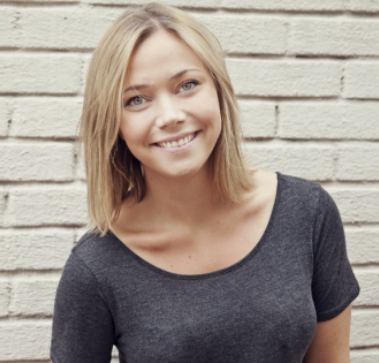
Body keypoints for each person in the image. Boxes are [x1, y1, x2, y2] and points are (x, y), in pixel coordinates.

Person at [50, 3, 360, 362]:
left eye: (187, 85)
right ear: (113, 124)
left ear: (218, 91)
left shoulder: (306, 213)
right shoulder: (96, 267)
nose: (170, 116)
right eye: (136, 99)